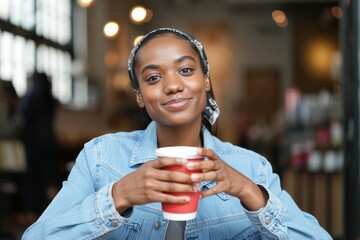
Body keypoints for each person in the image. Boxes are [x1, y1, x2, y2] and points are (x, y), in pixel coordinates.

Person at [22, 28, 331, 239]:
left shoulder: (251, 167)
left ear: (205, 81)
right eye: (154, 77)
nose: (172, 85)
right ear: (140, 96)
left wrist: (250, 192)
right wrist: (119, 196)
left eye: (186, 70)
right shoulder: (101, 159)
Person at [19, 72, 58, 223]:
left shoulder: (30, 97)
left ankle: (30, 211)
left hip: (32, 142)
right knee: (45, 178)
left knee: (29, 178)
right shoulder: (51, 99)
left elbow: (23, 117)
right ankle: (45, 213)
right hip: (48, 141)